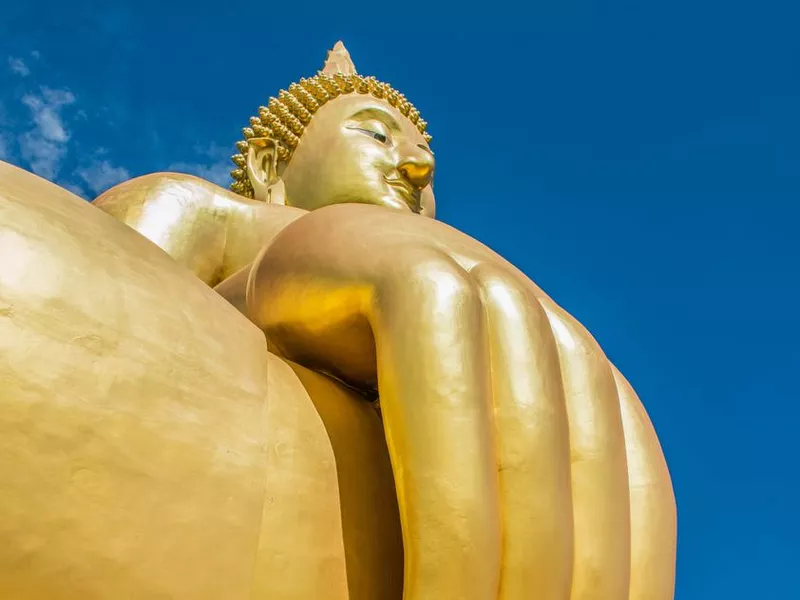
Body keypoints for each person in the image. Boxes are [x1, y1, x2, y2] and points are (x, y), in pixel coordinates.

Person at [0, 42, 675, 600]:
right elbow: (119, 329)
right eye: (375, 134)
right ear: (270, 168)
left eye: (420, 155)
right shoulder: (202, 208)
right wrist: (279, 271)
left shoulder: (469, 296)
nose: (416, 164)